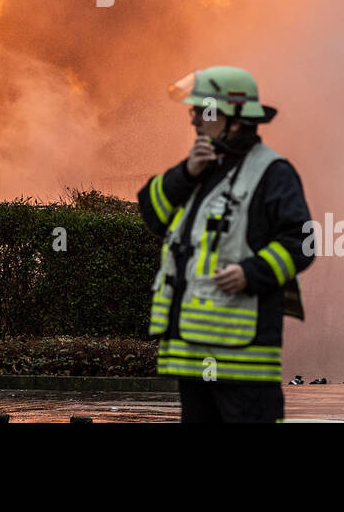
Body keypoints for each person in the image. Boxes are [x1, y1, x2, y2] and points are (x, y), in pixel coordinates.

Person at [137, 65, 314, 423]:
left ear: (232, 117)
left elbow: (302, 242)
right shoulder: (203, 168)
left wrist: (252, 272)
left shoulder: (272, 172)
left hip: (243, 359)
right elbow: (151, 213)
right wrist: (184, 174)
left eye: (203, 111)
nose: (195, 121)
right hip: (192, 354)